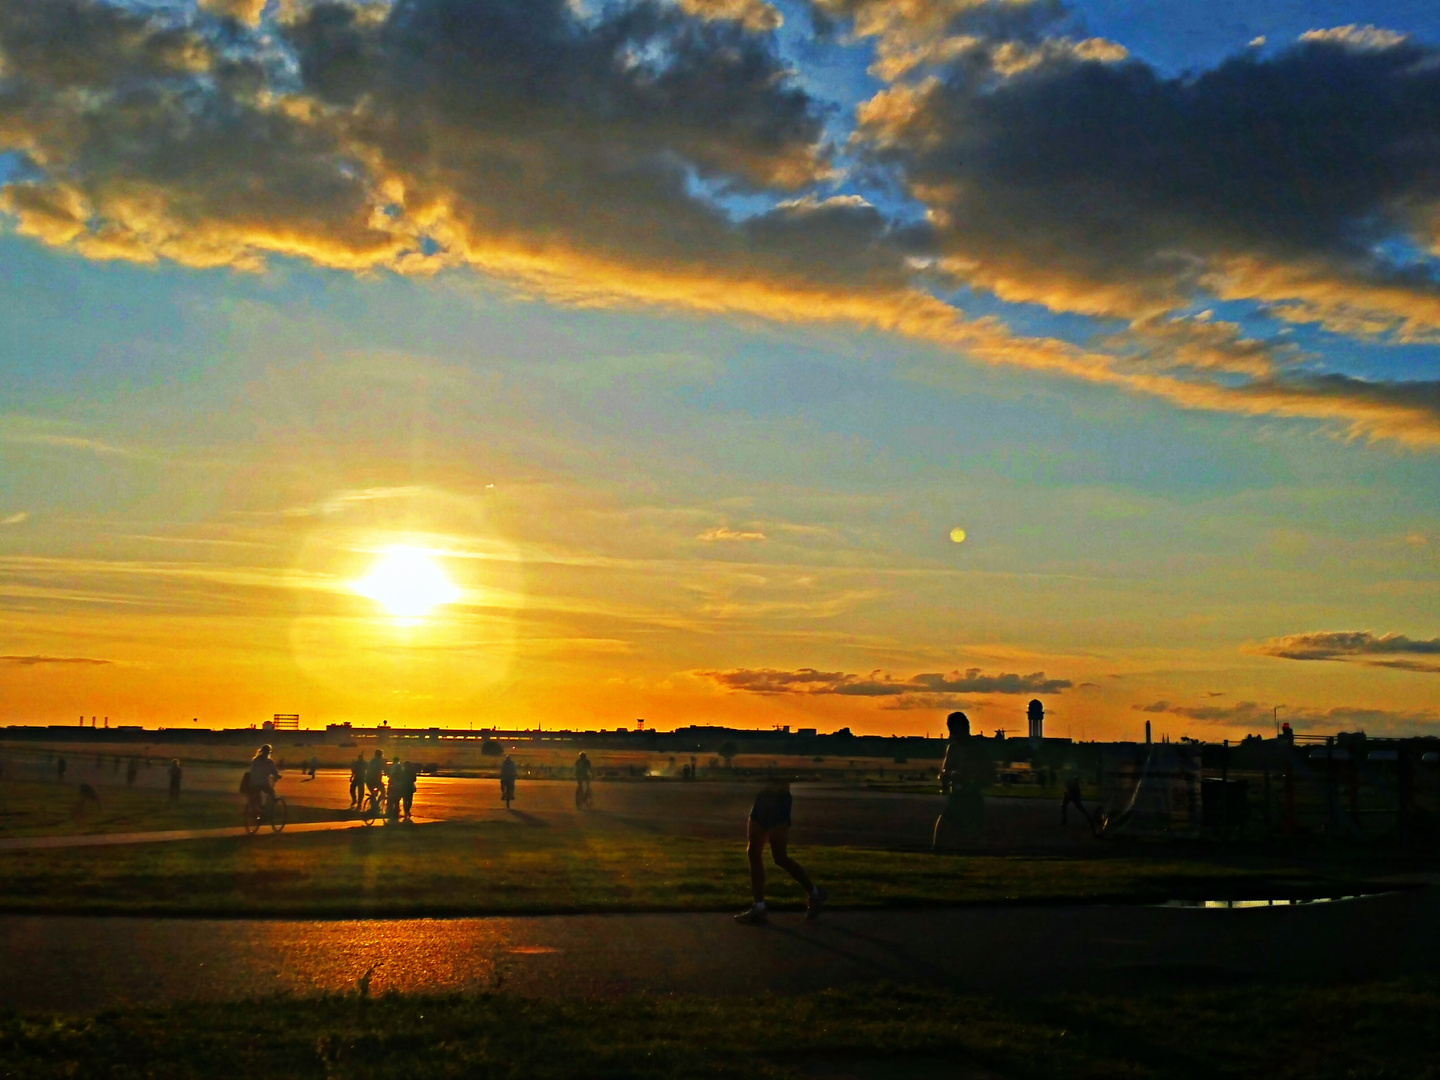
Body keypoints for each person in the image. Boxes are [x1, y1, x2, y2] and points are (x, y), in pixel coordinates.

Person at [734, 775, 826, 925]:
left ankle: (814, 892)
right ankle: (759, 906)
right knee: (753, 852)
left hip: (778, 801)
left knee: (779, 856)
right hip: (763, 799)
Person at [933, 712, 994, 851]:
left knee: (967, 835)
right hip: (958, 796)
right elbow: (945, 770)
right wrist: (947, 777)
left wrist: (970, 779)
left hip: (971, 796)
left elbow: (988, 775)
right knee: (947, 829)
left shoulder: (978, 750)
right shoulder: (953, 748)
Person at [246, 744, 281, 818]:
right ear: (268, 752)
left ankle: (257, 811)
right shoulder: (269, 762)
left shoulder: (255, 760)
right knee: (272, 793)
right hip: (263, 783)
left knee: (257, 797)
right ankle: (268, 811)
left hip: (253, 782)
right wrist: (277, 775)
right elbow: (273, 771)